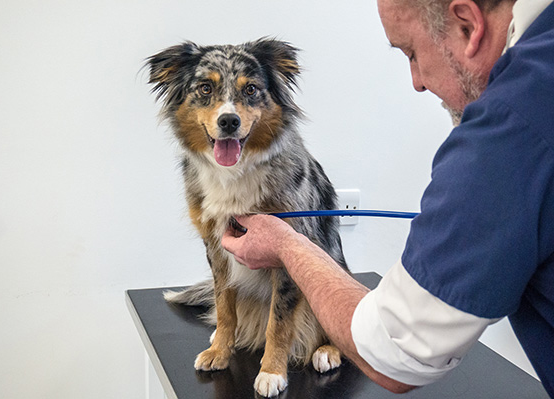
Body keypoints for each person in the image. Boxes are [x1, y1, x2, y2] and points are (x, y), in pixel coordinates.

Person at [221, 0, 554, 396]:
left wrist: (287, 245)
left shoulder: (509, 127)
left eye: (412, 53)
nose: (416, 80)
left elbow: (396, 350)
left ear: (467, 24)